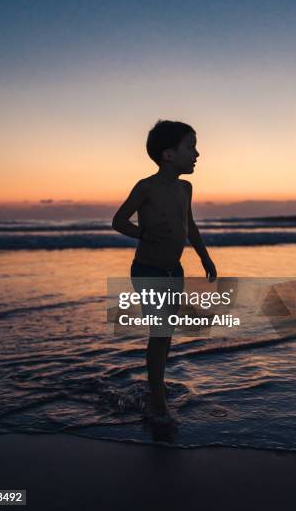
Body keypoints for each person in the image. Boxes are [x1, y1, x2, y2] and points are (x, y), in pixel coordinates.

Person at [112, 120, 217, 421]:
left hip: (174, 270)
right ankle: (158, 401)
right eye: (191, 147)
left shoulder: (186, 187)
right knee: (160, 333)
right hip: (147, 269)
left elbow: (190, 226)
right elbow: (118, 221)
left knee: (165, 333)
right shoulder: (146, 187)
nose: (197, 154)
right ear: (168, 155)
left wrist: (204, 257)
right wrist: (144, 234)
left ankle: (155, 388)